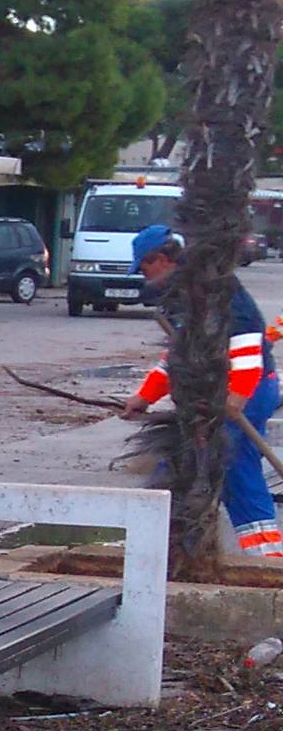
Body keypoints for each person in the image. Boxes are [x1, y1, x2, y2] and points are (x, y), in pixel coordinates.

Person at [128, 224, 281, 559]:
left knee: (223, 461)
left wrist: (237, 396)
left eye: (144, 266)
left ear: (162, 258)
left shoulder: (215, 288)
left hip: (248, 388)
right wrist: (145, 396)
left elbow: (246, 344)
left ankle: (266, 557)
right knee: (190, 461)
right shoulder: (179, 298)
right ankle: (167, 549)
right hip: (218, 393)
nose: (143, 275)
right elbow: (179, 356)